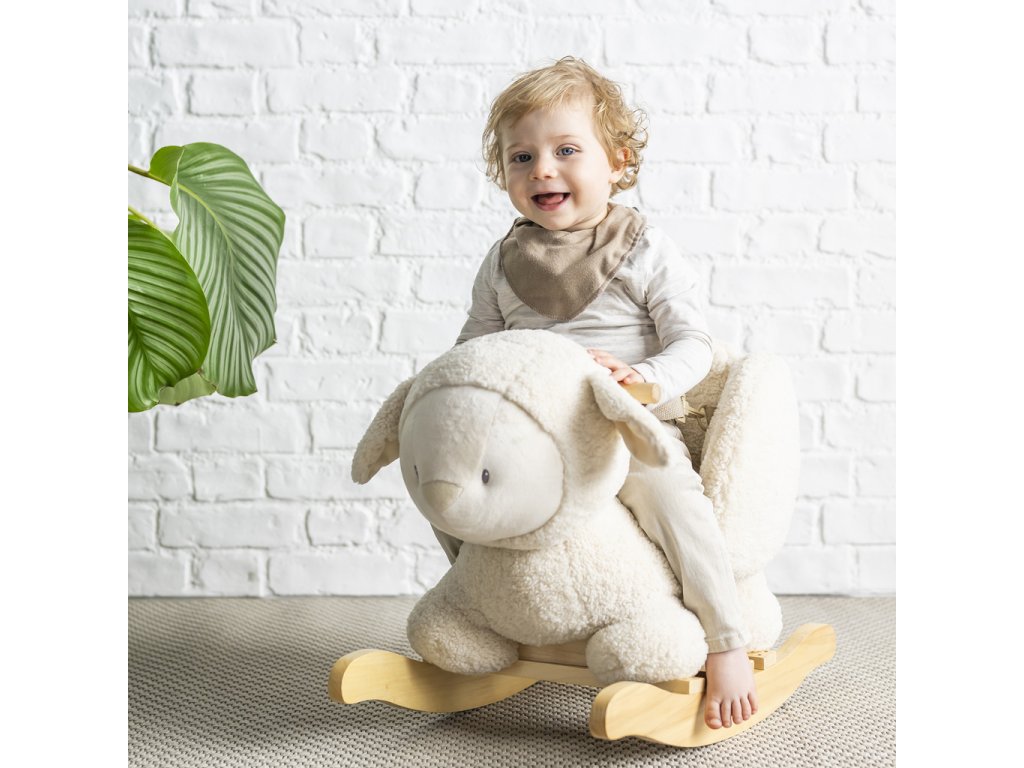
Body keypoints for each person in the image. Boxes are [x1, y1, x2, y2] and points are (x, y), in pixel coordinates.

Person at [435, 56, 757, 731]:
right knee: (448, 487)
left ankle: (725, 639)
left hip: (620, 429)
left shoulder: (643, 247)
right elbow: (474, 346)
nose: (541, 170)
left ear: (617, 162)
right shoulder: (502, 262)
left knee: (672, 497)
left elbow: (695, 342)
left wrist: (645, 380)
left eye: (566, 150)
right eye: (521, 157)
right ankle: (489, 607)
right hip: (532, 441)